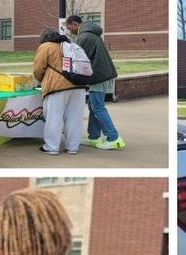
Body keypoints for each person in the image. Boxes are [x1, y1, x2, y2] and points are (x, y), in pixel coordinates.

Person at [65, 15, 124, 150]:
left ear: (74, 24)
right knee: (93, 106)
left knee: (97, 107)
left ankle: (114, 138)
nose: (69, 31)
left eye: (69, 28)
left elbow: (78, 58)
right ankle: (94, 136)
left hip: (98, 77)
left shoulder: (85, 36)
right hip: (102, 75)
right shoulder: (91, 34)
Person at [32, 29, 88, 156]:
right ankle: (72, 147)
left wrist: (41, 80)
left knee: (54, 117)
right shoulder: (71, 45)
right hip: (79, 85)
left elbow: (38, 69)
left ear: (44, 38)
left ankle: (52, 147)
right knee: (75, 118)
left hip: (57, 87)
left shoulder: (46, 46)